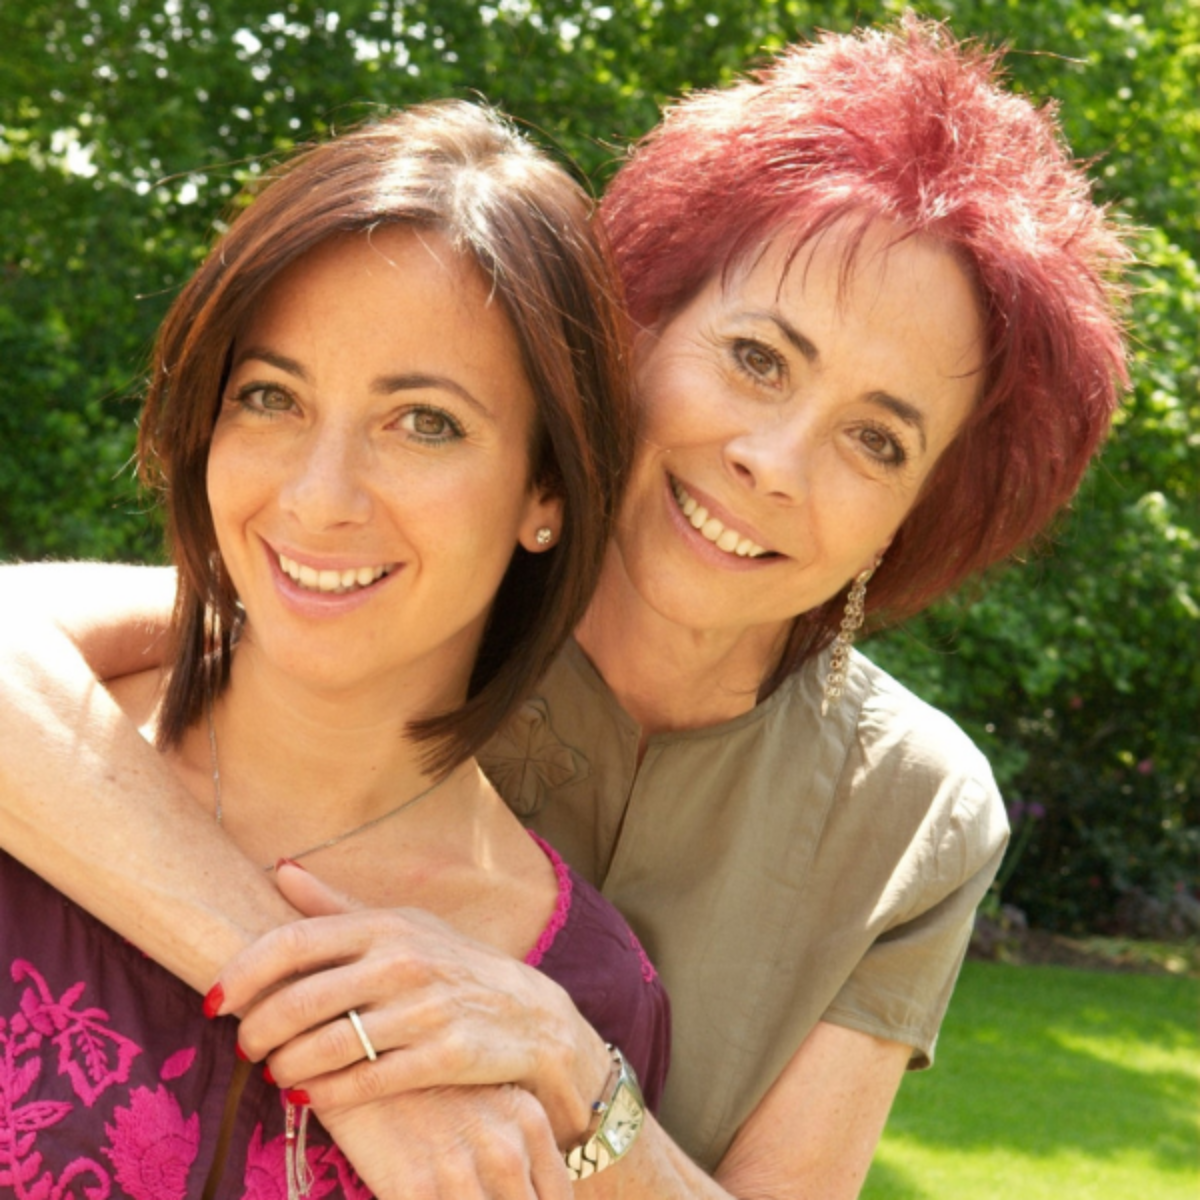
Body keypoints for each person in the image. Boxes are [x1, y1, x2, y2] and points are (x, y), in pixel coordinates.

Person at [0, 17, 1128, 1200]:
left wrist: (574, 1076)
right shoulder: (398, 596)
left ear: (923, 509)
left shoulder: (909, 814)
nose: (775, 460)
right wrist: (352, 1047)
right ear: (633, 333)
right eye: (757, 358)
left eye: (877, 439)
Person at [0, 100, 671, 1199]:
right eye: (271, 397)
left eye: (426, 423)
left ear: (546, 491)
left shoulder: (585, 996)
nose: (318, 499)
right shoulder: (31, 762)